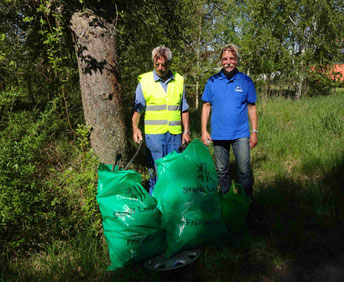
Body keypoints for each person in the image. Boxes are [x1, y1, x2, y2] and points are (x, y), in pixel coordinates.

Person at [201, 44, 258, 198]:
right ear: (220, 61)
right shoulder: (212, 81)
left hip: (241, 134)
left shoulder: (246, 81)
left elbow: (251, 107)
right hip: (219, 135)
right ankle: (226, 203)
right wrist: (204, 130)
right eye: (225, 59)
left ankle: (247, 205)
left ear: (237, 60)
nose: (228, 62)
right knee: (221, 171)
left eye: (232, 58)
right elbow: (206, 106)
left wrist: (254, 132)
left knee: (244, 172)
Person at [132, 46, 191, 195]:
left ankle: (173, 207)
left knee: (174, 172)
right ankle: (156, 206)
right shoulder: (144, 82)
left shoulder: (179, 80)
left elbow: (183, 109)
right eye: (157, 64)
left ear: (169, 63)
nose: (160, 68)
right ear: (153, 62)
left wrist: (186, 131)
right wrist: (135, 128)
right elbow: (137, 110)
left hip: (175, 136)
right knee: (155, 173)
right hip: (154, 137)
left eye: (164, 64)